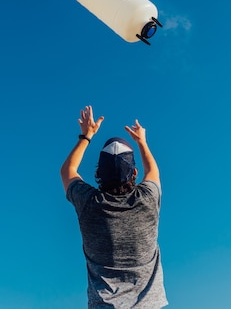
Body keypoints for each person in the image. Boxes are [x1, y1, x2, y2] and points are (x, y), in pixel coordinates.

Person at [61, 105, 169, 309]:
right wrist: (142, 142)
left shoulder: (88, 203)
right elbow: (153, 170)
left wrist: (86, 136)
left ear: (98, 174)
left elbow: (68, 171)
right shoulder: (148, 199)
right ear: (134, 172)